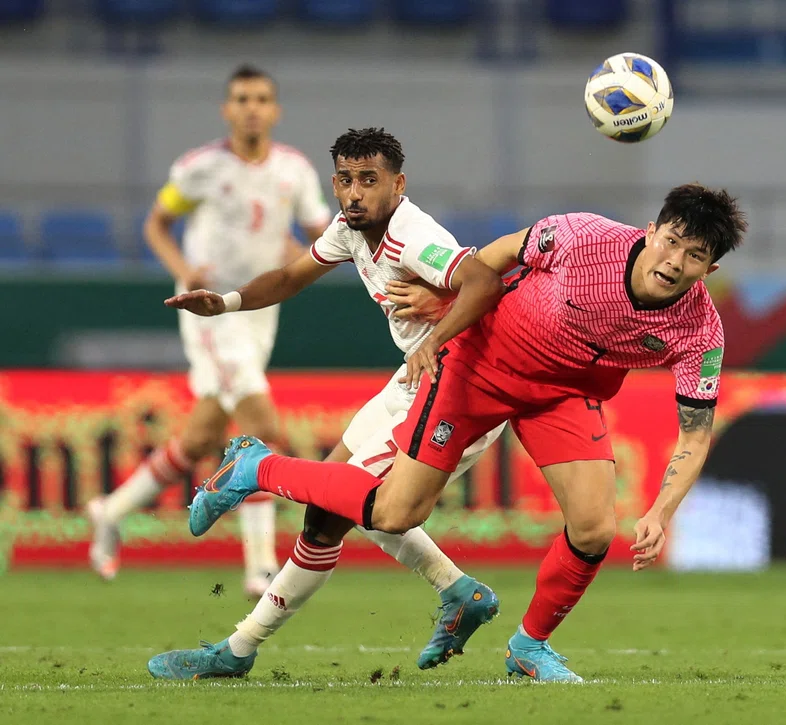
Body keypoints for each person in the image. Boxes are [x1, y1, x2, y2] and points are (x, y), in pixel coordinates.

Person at [179, 183, 746, 682]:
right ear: (650, 231)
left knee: (596, 529)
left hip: (562, 395)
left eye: (695, 255)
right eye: (671, 241)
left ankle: (529, 647)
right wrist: (445, 296)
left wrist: (661, 512)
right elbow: (494, 258)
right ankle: (258, 467)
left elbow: (695, 436)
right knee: (395, 513)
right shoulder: (581, 237)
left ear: (709, 270)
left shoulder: (700, 331)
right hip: (480, 364)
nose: (675, 261)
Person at [147, 128, 507, 680]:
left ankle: (239, 638)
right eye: (345, 180)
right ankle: (458, 592)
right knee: (331, 499)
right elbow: (290, 277)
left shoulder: (413, 237)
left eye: (369, 180)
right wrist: (227, 302)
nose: (355, 192)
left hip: (457, 390)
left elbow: (483, 283)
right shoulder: (348, 229)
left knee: (342, 507)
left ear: (398, 184)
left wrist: (434, 337)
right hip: (413, 381)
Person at [85, 64, 332, 596]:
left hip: (260, 307)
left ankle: (110, 510)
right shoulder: (200, 168)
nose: (251, 108)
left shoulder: (294, 170)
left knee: (200, 437)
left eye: (261, 98)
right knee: (261, 424)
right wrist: (183, 268)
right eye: (241, 98)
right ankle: (260, 566)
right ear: (227, 109)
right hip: (210, 311)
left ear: (275, 110)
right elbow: (157, 222)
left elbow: (321, 233)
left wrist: (301, 253)